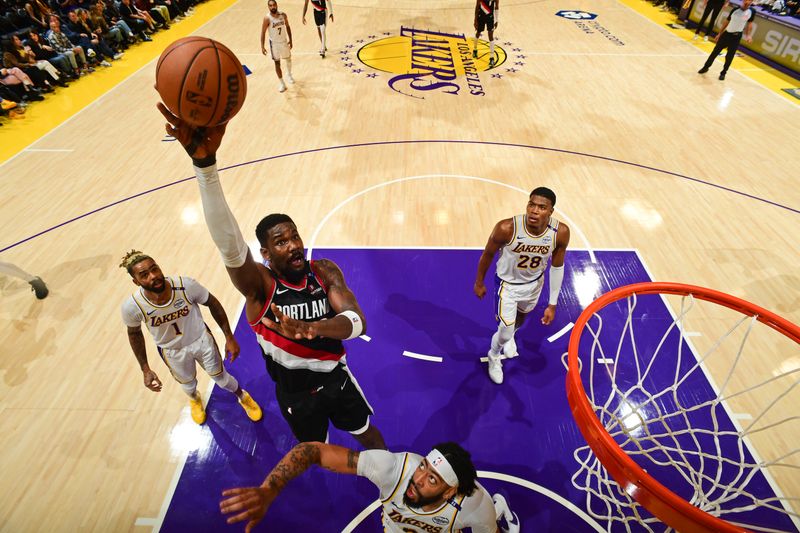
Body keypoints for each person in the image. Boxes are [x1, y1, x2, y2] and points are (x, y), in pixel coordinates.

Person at [157, 104, 386, 449]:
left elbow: (357, 322)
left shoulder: (324, 271)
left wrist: (315, 328)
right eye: (281, 242)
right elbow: (230, 244)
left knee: (367, 433)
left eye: (295, 236)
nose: (294, 245)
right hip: (294, 390)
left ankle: (391, 482)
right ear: (265, 253)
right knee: (316, 450)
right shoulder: (260, 288)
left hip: (336, 378)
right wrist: (205, 168)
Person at [219, 441, 521, 532]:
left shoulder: (473, 505)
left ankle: (500, 510)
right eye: (424, 467)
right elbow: (314, 452)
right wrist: (270, 487)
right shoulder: (393, 469)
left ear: (449, 491)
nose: (418, 479)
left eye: (432, 479)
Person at [119, 250, 263, 425]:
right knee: (188, 384)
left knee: (222, 378)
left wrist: (229, 337)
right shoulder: (132, 306)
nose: (153, 276)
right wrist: (145, 368)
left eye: (154, 269)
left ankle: (242, 395)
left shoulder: (184, 285)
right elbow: (134, 334)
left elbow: (213, 303)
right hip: (172, 351)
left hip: (201, 340)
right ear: (136, 281)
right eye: (144, 275)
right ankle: (195, 399)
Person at [474, 187, 570, 384]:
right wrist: (479, 281)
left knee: (521, 318)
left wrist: (552, 304)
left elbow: (557, 267)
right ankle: (494, 356)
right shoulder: (506, 228)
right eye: (531, 204)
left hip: (534, 284)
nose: (534, 211)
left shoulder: (560, 232)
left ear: (551, 211)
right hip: (507, 286)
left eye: (541, 207)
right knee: (506, 328)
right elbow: (487, 255)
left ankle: (510, 337)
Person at [698, 0, 755, 80]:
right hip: (727, 34)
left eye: (749, 0)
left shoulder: (752, 11)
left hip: (736, 37)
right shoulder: (735, 10)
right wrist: (719, 34)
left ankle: (723, 73)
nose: (747, 2)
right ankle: (706, 67)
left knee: (729, 56)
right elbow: (727, 21)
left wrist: (748, 35)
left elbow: (750, 24)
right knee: (715, 52)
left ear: (751, 2)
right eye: (745, 0)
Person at [260, 0, 293, 93]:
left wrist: (291, 39)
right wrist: (262, 46)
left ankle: (289, 75)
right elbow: (263, 32)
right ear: (268, 7)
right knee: (277, 63)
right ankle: (282, 83)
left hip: (284, 42)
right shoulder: (267, 18)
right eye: (270, 6)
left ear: (276, 5)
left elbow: (288, 26)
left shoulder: (283, 15)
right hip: (274, 44)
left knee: (288, 59)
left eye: (274, 5)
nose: (272, 7)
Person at [473, 0, 499, 67]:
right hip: (481, 16)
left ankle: (492, 57)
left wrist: (496, 20)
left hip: (490, 17)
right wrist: (475, 20)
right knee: (478, 33)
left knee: (490, 36)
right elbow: (477, 6)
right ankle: (475, 49)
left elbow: (496, 7)